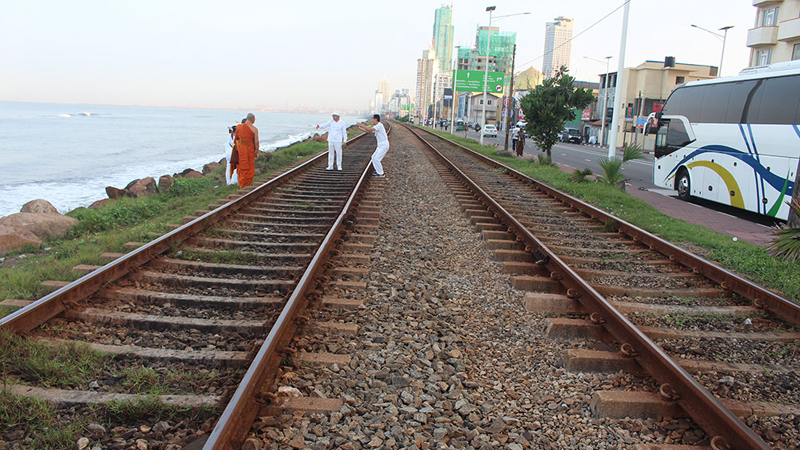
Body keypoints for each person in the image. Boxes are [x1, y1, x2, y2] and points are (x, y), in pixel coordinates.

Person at [234, 113, 259, 188]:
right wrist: (256, 152)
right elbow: (256, 142)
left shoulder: (239, 127)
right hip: (249, 150)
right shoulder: (254, 129)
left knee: (242, 167)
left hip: (241, 150)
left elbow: (236, 138)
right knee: (249, 168)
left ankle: (241, 183)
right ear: (253, 119)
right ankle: (246, 184)